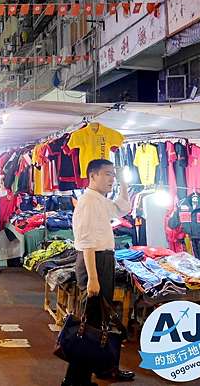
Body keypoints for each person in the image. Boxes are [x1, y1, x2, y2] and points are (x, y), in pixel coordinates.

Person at [63, 159, 135, 385]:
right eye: (107, 174)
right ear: (92, 176)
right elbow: (86, 243)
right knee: (90, 323)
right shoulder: (88, 202)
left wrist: (124, 182)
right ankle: (75, 380)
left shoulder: (100, 200)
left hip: (103, 260)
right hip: (94, 262)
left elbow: (123, 208)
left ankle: (103, 368)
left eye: (113, 174)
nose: (111, 179)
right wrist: (93, 278)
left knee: (99, 320)